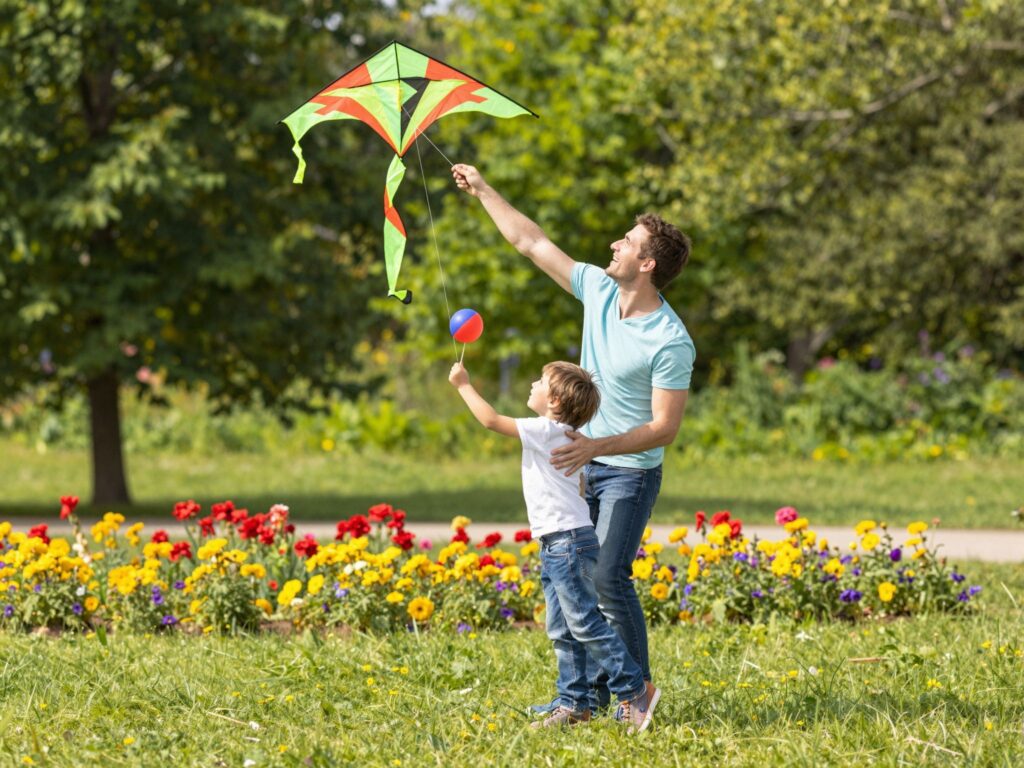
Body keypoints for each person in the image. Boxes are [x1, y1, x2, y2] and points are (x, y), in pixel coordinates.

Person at [452, 163, 695, 714]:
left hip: (629, 472)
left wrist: (595, 448)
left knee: (607, 578)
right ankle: (580, 701)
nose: (614, 244)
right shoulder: (598, 291)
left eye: (627, 242)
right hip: (580, 463)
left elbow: (665, 428)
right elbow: (530, 241)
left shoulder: (670, 340)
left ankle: (638, 695)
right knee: (575, 589)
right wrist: (484, 189)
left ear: (647, 263)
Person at [448, 359, 660, 732]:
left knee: (583, 623)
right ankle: (575, 702)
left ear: (556, 401)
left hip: (567, 544)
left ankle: (635, 689)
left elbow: (491, 421)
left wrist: (464, 384)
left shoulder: (546, 430)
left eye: (540, 381)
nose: (532, 383)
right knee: (561, 627)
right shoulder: (567, 437)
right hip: (559, 543)